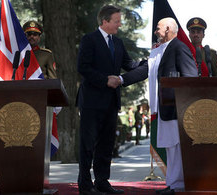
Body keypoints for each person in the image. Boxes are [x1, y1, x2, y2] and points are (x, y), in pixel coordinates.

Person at [119, 17, 198, 195]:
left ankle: (177, 186)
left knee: (177, 146)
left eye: (158, 28)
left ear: (168, 29)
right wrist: (122, 79)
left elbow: (190, 77)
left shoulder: (178, 47)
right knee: (170, 146)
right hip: (164, 107)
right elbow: (145, 71)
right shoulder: (159, 50)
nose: (155, 31)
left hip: (176, 108)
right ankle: (172, 183)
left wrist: (183, 103)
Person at [76, 5, 145, 195]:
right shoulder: (89, 40)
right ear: (104, 21)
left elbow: (129, 64)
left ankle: (102, 182)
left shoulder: (118, 43)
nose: (119, 25)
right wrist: (105, 80)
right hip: (91, 101)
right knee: (88, 145)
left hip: (111, 102)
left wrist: (149, 61)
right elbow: (83, 67)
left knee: (106, 145)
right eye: (116, 21)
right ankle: (84, 184)